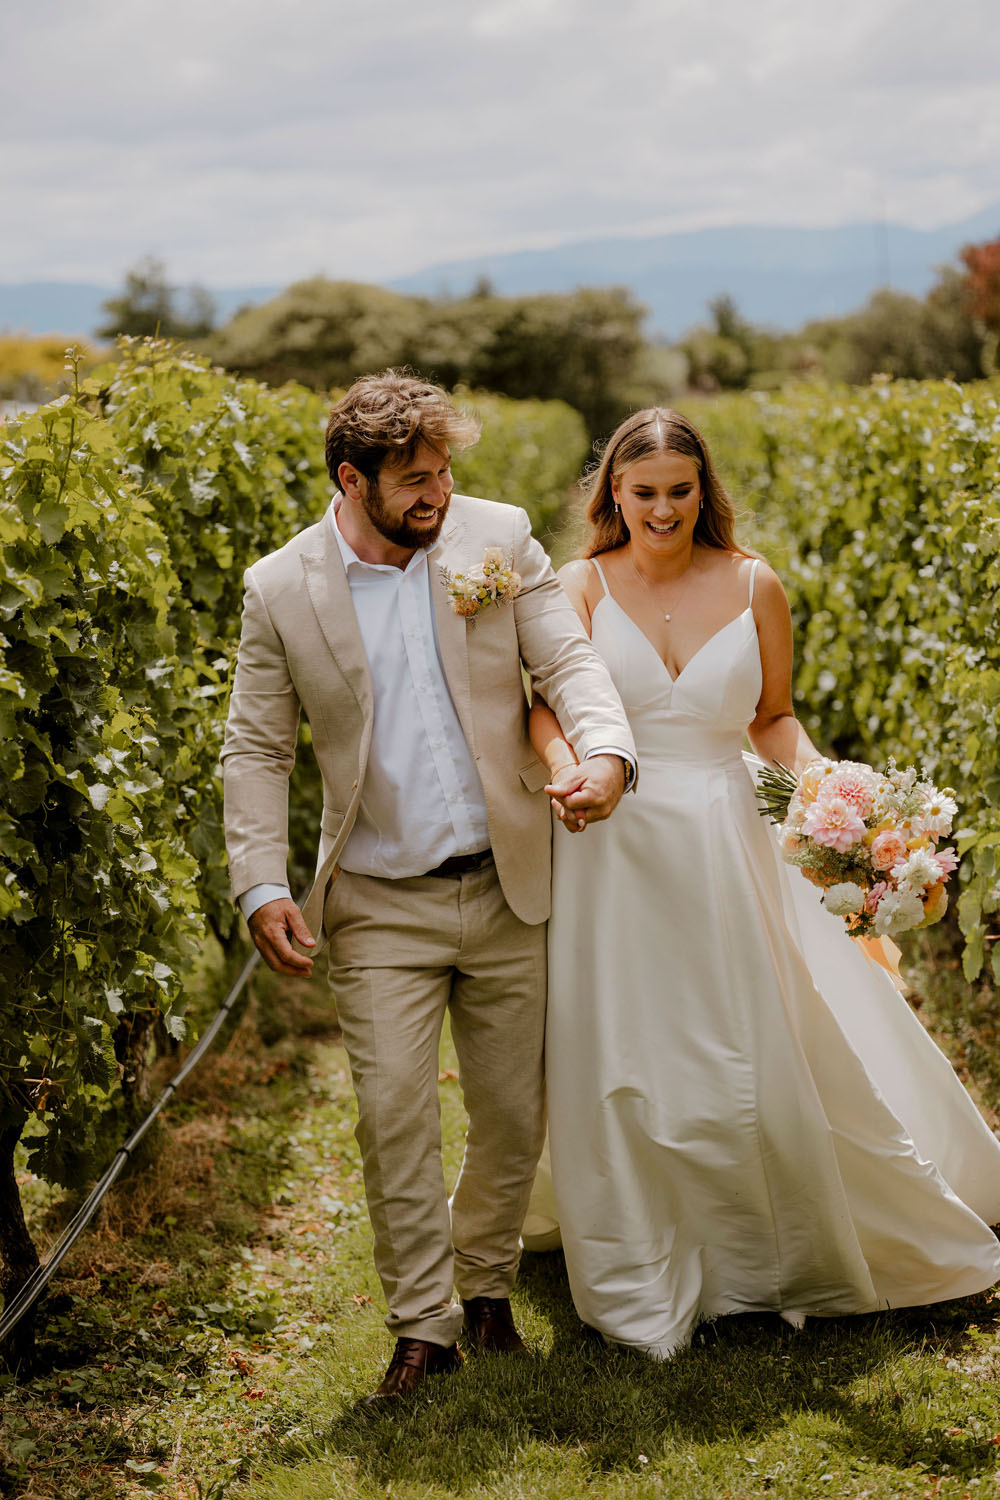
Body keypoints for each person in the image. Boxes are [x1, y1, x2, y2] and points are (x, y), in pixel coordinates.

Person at [524, 407, 1000, 1358]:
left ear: (705, 492)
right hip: (609, 837)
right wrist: (570, 767)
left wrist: (838, 805)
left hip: (721, 829)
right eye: (645, 492)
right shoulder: (576, 585)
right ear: (613, 492)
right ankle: (640, 1242)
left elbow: (773, 719)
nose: (663, 510)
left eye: (680, 491)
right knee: (624, 1038)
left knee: (742, 1034)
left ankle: (761, 1245)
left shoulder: (754, 585)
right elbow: (545, 706)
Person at [220, 370, 636, 1401]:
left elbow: (569, 661)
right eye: (414, 479)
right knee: (392, 1113)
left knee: (507, 1112)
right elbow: (256, 747)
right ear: (350, 478)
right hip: (375, 902)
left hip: (508, 882)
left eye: (445, 472)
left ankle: (486, 1288)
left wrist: (608, 751)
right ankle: (422, 1325)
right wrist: (258, 882)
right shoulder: (279, 587)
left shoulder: (496, 537)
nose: (439, 495)